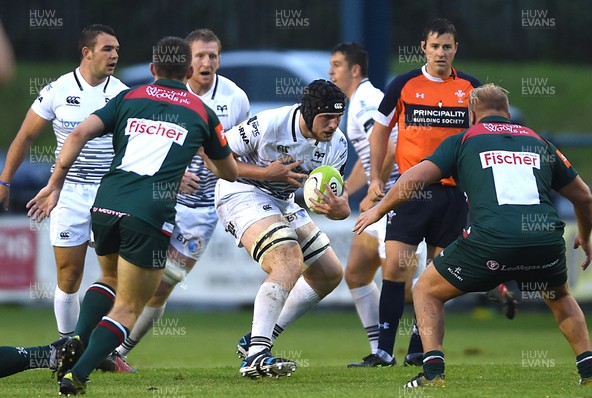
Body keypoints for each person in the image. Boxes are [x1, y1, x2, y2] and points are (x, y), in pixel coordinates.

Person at [26, 36, 238, 395]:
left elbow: (78, 132)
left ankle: (76, 338)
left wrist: (55, 183)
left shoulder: (129, 96)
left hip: (106, 203)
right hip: (149, 213)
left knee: (109, 278)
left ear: (153, 69)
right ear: (188, 71)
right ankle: (78, 373)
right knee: (129, 306)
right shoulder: (202, 112)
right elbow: (229, 173)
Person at [354, 83, 592, 387]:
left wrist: (378, 210)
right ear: (507, 112)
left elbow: (415, 176)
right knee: (560, 296)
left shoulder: (464, 140)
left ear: (472, 114)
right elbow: (585, 198)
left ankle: (432, 373)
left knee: (426, 290)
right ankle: (591, 372)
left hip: (490, 240)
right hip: (544, 240)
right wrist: (585, 236)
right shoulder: (539, 141)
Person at [363, 18, 515, 368]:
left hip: (452, 194)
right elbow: (380, 131)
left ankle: (418, 349)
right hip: (411, 191)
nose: (441, 53)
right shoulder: (403, 85)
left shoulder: (471, 88)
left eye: (447, 46)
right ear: (423, 48)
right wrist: (375, 177)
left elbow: (486, 136)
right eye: (435, 46)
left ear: (455, 49)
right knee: (395, 269)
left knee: (434, 274)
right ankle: (383, 351)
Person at [114, 28, 250, 361]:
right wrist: (171, 178)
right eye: (199, 56)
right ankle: (98, 344)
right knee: (129, 282)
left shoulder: (235, 99)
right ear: (186, 61)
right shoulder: (165, 94)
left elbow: (242, 155)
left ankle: (118, 352)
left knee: (163, 285)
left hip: (202, 209)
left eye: (213, 55)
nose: (207, 62)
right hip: (156, 200)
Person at [0, 24, 128, 343]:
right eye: (107, 49)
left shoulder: (122, 93)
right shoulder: (57, 90)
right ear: (87, 53)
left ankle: (103, 348)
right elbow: (25, 137)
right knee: (69, 276)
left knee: (114, 276)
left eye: (116, 50)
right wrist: (4, 181)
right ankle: (66, 346)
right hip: (67, 192)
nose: (114, 55)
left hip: (109, 191)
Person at [216, 79, 350, 378]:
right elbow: (215, 156)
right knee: (288, 260)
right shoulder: (270, 123)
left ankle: (257, 341)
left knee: (329, 273)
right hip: (240, 192)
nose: (333, 124)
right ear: (308, 112)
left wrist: (342, 209)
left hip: (283, 202)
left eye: (338, 117)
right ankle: (256, 358)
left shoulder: (337, 143)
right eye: (326, 117)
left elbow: (340, 194)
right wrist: (264, 172)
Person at [328, 42, 427, 365]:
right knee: (356, 272)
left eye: (337, 65)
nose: (331, 72)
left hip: (396, 199)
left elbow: (389, 147)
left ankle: (421, 342)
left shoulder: (366, 102)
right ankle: (380, 351)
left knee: (407, 285)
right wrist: (346, 191)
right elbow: (368, 159)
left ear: (355, 70)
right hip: (384, 198)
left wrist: (377, 187)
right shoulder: (358, 102)